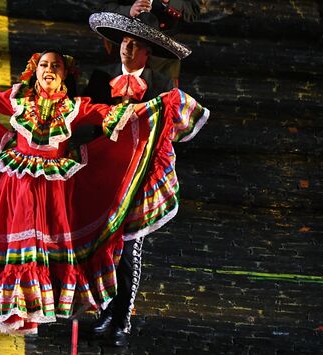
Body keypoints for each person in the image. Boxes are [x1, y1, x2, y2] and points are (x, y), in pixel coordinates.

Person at [0, 48, 209, 335]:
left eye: (56, 66)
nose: (49, 69)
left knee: (49, 250)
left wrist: (160, 106)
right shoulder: (17, 99)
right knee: (19, 250)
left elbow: (117, 115)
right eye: (44, 65)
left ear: (65, 74)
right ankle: (16, 308)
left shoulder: (75, 107)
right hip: (18, 187)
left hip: (55, 191)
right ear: (34, 72)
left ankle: (62, 306)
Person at [83, 11, 192, 346]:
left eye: (134, 44)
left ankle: (122, 319)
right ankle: (104, 312)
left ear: (146, 52)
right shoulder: (102, 78)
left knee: (129, 252)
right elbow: (86, 125)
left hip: (139, 180)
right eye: (124, 42)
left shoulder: (160, 86)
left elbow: (169, 132)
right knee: (101, 251)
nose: (127, 48)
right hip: (105, 177)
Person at [98, 0, 201, 86]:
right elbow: (100, 6)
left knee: (163, 102)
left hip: (163, 53)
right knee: (114, 102)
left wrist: (168, 2)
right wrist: (128, 11)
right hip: (122, 44)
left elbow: (193, 11)